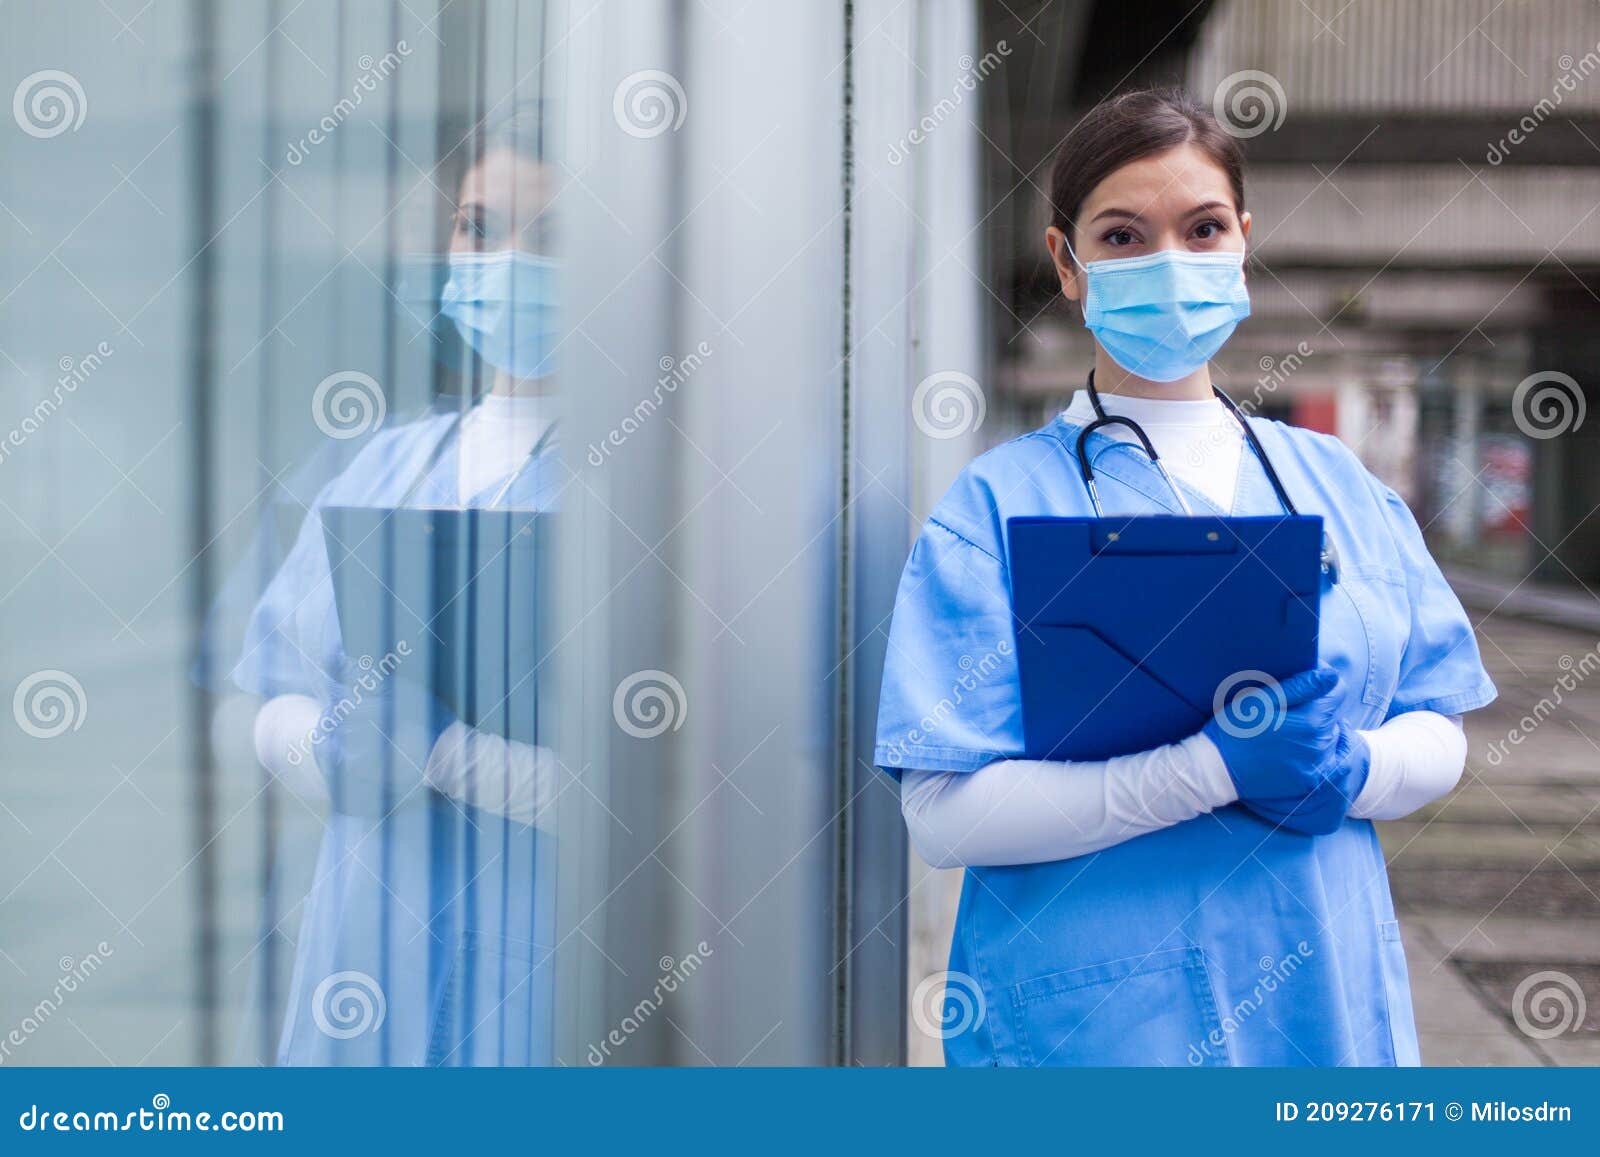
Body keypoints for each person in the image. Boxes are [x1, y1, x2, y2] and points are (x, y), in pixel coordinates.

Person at [874, 88, 1497, 1067]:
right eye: (1123, 236)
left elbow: (1440, 725)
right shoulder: (994, 508)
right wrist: (1206, 769)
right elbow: (944, 814)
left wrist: (1353, 768)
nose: (1170, 261)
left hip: (1320, 999)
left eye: (1202, 227)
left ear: (1241, 240)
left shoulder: (1336, 481)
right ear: (1066, 265)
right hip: (1100, 1025)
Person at [232, 108, 563, 1066]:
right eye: (479, 226)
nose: (503, 263)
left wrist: (447, 755)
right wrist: (330, 746)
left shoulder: (645, 485)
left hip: (545, 970)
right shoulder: (382, 467)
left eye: (550, 239)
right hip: (364, 956)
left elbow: (666, 784)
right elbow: (272, 697)